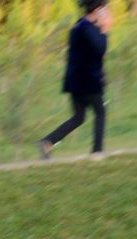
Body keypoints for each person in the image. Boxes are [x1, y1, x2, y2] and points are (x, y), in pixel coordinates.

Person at [40, 0, 111, 158]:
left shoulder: (80, 25)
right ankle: (97, 152)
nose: (108, 11)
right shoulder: (88, 29)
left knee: (79, 117)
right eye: (105, 8)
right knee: (100, 111)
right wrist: (105, 29)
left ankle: (47, 142)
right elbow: (101, 49)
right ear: (99, 9)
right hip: (86, 79)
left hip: (76, 79)